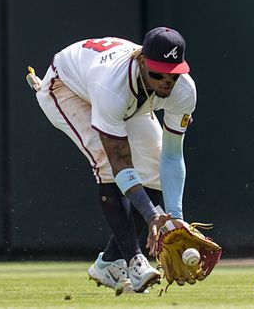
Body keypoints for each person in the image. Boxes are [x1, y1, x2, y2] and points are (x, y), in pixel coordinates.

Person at [29, 27, 197, 293]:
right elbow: (119, 160)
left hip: (131, 99)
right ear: (142, 61)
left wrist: (175, 219)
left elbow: (172, 154)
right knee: (107, 165)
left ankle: (108, 263)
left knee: (153, 167)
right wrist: (153, 215)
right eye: (158, 73)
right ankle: (134, 260)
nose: (166, 81)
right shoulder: (112, 85)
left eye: (173, 74)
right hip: (67, 87)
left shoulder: (184, 90)